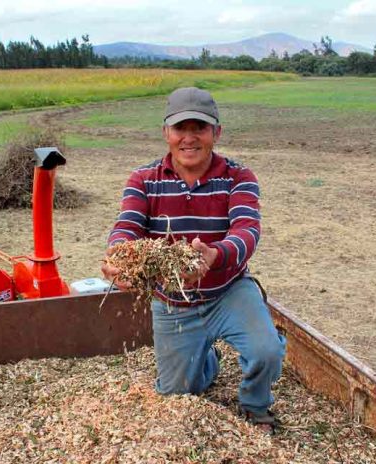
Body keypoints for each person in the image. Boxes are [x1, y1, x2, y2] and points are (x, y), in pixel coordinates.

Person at [101, 87, 286, 433]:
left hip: (228, 290)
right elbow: (127, 225)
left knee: (266, 352)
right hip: (174, 302)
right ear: (165, 133)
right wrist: (119, 255)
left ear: (216, 132)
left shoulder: (238, 177)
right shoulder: (144, 179)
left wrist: (216, 255)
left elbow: (247, 231)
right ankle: (207, 362)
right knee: (177, 395)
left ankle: (256, 405)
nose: (189, 138)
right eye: (179, 128)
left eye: (199, 128)